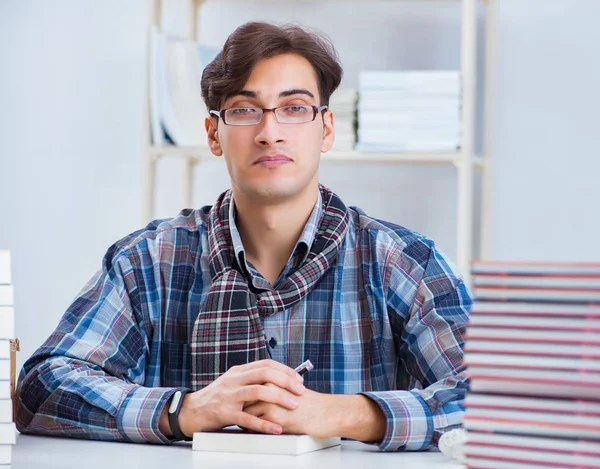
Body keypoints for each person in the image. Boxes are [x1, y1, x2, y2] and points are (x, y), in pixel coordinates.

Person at [15, 21, 471, 452]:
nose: (270, 133)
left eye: (294, 108)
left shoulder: (404, 260)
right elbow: (43, 385)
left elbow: (490, 400)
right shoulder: (148, 260)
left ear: (326, 128)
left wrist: (337, 414)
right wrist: (185, 410)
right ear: (213, 134)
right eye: (245, 110)